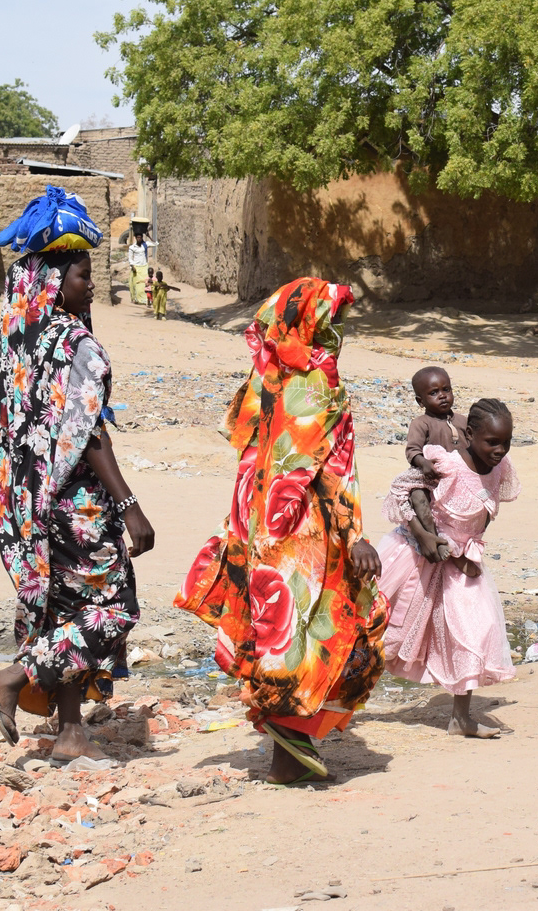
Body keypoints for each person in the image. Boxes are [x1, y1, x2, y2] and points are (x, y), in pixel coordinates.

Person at [176, 278, 386, 786]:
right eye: (333, 321)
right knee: (320, 624)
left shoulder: (263, 381)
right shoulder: (321, 388)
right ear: (314, 325)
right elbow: (331, 469)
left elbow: (238, 433)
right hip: (305, 529)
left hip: (256, 521)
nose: (340, 331)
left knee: (277, 629)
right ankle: (290, 746)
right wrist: (353, 534)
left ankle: (287, 747)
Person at [0, 186, 155, 766]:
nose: (92, 284)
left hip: (26, 500)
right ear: (54, 280)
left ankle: (72, 734)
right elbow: (89, 435)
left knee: (64, 611)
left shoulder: (16, 339)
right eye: (82, 275)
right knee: (114, 606)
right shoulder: (76, 345)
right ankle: (12, 678)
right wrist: (129, 505)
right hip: (75, 501)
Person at [377, 398, 519, 738]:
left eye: (506, 442)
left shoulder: (499, 467)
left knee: (474, 630)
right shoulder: (447, 465)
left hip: (463, 563)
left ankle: (461, 717)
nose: (500, 450)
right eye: (492, 442)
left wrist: (468, 551)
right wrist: (426, 535)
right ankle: (334, 694)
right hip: (421, 556)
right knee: (381, 626)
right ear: (469, 434)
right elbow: (406, 488)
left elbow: (483, 510)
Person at [405, 366, 467, 484]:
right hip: (431, 476)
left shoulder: (463, 421)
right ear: (420, 401)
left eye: (446, 389)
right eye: (433, 393)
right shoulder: (421, 424)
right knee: (418, 497)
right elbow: (412, 450)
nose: (442, 396)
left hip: (461, 477)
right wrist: (424, 463)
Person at [126, 230, 150, 306]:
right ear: (136, 238)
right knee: (135, 284)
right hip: (136, 267)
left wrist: (149, 236)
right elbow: (130, 258)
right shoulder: (132, 247)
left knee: (144, 284)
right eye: (138, 237)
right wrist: (132, 266)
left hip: (144, 267)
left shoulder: (145, 245)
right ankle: (135, 299)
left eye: (140, 237)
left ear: (142, 238)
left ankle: (144, 299)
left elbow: (156, 243)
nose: (139, 239)